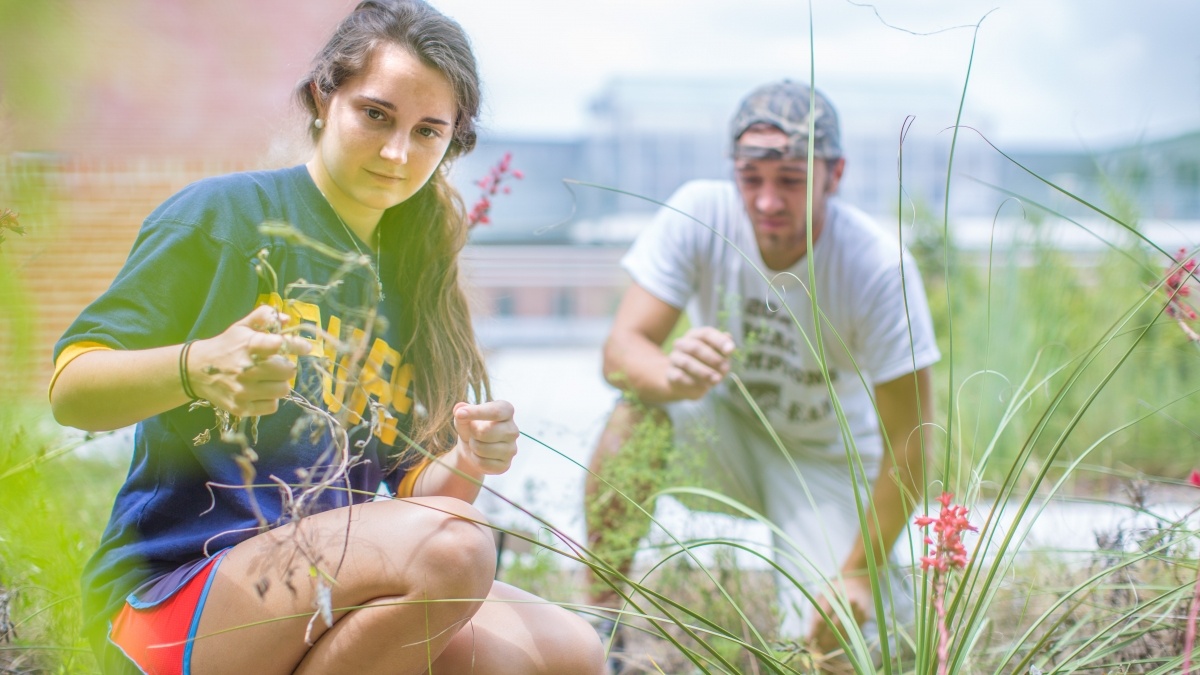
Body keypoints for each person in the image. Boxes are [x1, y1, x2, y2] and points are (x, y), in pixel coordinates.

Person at [49, 2, 604, 673]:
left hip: (310, 597)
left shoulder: (414, 284)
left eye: (428, 131)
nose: (398, 152)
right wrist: (199, 365)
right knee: (457, 549)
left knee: (570, 648)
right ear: (323, 95)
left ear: (452, 141)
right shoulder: (226, 216)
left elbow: (418, 497)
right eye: (376, 115)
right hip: (172, 596)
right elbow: (71, 388)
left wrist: (467, 455)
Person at [584, 80, 940, 655]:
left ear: (836, 173)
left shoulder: (878, 266)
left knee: (845, 645)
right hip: (727, 431)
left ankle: (859, 595)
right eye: (751, 180)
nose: (768, 201)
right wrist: (672, 376)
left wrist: (857, 572)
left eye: (792, 181)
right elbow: (622, 351)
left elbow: (913, 441)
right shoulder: (699, 211)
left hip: (825, 459)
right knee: (636, 418)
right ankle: (599, 624)